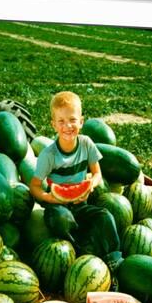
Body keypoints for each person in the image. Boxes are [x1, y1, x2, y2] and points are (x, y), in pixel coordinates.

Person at [29, 91, 121, 264]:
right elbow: (34, 186)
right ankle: (79, 252)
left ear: (81, 121)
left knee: (105, 216)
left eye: (72, 120)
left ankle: (114, 259)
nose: (67, 126)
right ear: (54, 125)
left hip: (81, 204)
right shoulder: (48, 155)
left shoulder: (86, 144)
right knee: (61, 220)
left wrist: (90, 185)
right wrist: (48, 197)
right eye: (61, 121)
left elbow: (97, 173)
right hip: (57, 207)